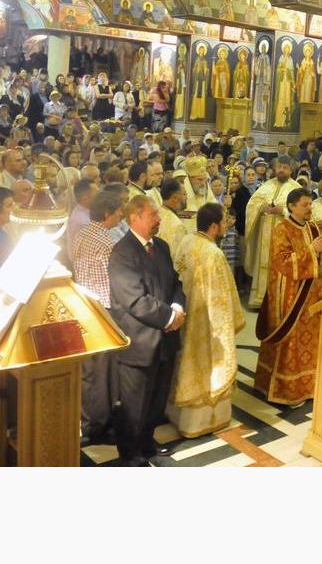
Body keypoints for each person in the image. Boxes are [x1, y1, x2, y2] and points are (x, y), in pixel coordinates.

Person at [107, 195, 185, 466]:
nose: (159, 219)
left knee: (156, 399)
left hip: (166, 338)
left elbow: (175, 282)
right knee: (134, 404)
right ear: (135, 218)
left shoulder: (161, 246)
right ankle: (131, 453)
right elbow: (134, 300)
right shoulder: (122, 253)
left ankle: (148, 442)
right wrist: (170, 317)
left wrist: (177, 305)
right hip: (139, 342)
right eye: (153, 215)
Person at [169, 203, 245, 437]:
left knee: (184, 362)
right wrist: (226, 326)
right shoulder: (213, 253)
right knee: (208, 366)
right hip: (206, 321)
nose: (227, 225)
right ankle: (202, 422)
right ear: (214, 226)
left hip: (185, 313)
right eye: (224, 221)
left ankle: (178, 415)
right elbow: (222, 295)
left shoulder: (187, 241)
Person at [254, 188, 322, 406]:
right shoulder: (282, 230)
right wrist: (312, 250)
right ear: (291, 206)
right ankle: (285, 389)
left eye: (310, 204)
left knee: (308, 341)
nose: (310, 208)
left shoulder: (312, 227)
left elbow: (321, 259)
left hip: (312, 295)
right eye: (305, 205)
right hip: (289, 295)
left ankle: (307, 386)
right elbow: (282, 262)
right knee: (290, 339)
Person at [72, 189, 124, 446]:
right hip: (103, 309)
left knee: (89, 370)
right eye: (118, 213)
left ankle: (86, 420)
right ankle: (98, 425)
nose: (121, 217)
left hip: (82, 305)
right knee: (102, 371)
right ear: (106, 214)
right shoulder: (107, 241)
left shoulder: (80, 234)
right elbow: (115, 280)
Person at [243, 156, 299, 310]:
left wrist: (284, 210)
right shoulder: (266, 186)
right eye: (279, 167)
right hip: (265, 235)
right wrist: (261, 208)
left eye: (285, 167)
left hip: (284, 237)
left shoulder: (296, 189)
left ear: (291, 170)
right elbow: (252, 205)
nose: (281, 170)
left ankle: (279, 301)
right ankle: (259, 299)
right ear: (275, 169)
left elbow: (302, 212)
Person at [156, 178, 192, 261]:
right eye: (184, 194)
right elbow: (178, 260)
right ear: (175, 198)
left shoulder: (156, 214)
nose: (187, 197)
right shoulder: (177, 226)